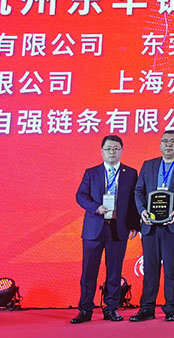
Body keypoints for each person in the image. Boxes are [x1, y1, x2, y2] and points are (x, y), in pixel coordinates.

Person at [130, 131, 174, 322]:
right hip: (150, 225)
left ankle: (171, 308)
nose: (168, 145)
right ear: (160, 144)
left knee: (172, 269)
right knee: (150, 269)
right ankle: (147, 308)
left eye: (172, 141)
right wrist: (142, 211)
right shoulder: (148, 165)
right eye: (165, 141)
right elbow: (138, 190)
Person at [72, 135, 140, 324]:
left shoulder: (130, 173)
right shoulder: (91, 173)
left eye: (116, 148)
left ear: (122, 151)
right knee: (89, 271)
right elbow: (81, 196)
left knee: (115, 272)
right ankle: (85, 309)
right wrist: (96, 207)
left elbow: (134, 200)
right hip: (94, 229)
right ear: (102, 151)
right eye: (109, 148)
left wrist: (135, 225)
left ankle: (111, 308)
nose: (112, 152)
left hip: (118, 229)